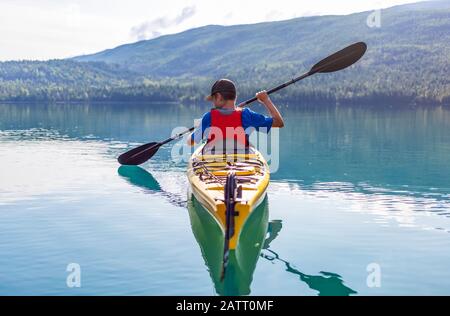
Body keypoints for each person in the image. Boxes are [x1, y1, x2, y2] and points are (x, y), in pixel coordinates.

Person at [188, 79, 284, 152]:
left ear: (218, 97)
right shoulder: (247, 114)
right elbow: (279, 122)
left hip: (214, 162)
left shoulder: (208, 117)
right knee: (250, 146)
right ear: (235, 97)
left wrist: (198, 128)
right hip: (242, 163)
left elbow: (191, 142)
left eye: (213, 99)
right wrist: (266, 100)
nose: (213, 102)